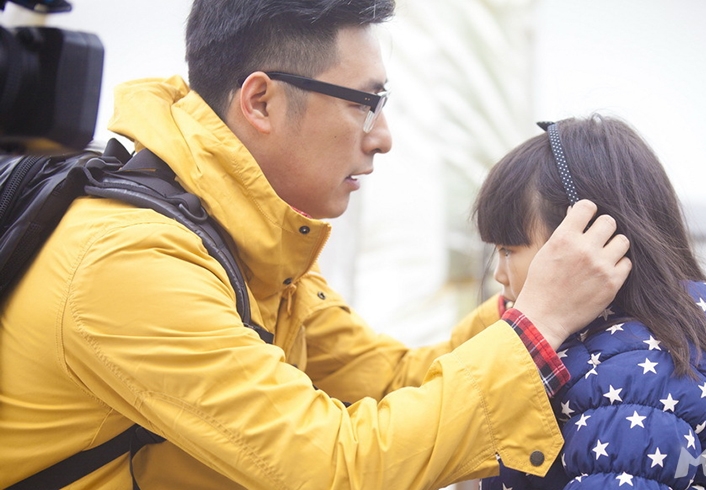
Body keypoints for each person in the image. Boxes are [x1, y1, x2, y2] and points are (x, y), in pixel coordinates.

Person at [0, 2, 633, 489]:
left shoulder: (248, 242)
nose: (383, 137)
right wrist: (537, 327)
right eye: (367, 103)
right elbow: (332, 466)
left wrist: (530, 300)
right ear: (260, 101)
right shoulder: (133, 263)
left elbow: (392, 383)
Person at [474, 114, 706, 489]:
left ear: (589, 242)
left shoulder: (632, 383)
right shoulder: (629, 342)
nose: (499, 273)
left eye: (508, 250)